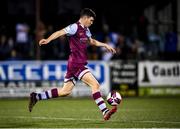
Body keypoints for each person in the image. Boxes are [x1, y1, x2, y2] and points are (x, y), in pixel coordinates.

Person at [28, 8, 117, 121]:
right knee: (95, 85)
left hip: (74, 64)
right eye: (91, 20)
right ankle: (105, 111)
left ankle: (36, 96)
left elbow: (92, 41)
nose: (91, 22)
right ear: (85, 18)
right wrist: (48, 39)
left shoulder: (86, 30)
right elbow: (60, 32)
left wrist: (105, 45)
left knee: (65, 91)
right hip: (76, 64)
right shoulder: (75, 27)